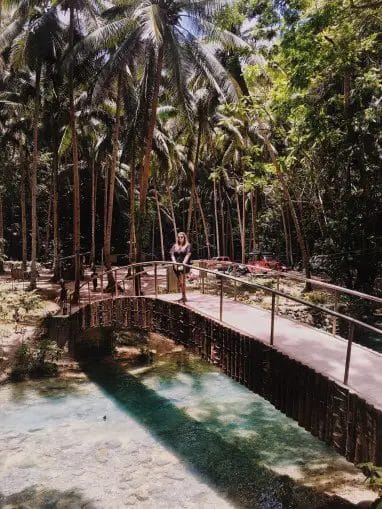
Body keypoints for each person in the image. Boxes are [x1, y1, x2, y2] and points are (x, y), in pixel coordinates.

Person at [170, 232, 192, 303]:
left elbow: (188, 255)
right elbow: (172, 255)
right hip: (176, 265)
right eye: (179, 237)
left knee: (182, 281)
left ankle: (184, 297)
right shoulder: (175, 246)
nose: (180, 238)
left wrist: (183, 264)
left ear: (184, 237)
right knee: (180, 281)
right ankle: (183, 296)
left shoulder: (188, 245)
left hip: (184, 265)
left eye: (181, 237)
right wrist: (174, 263)